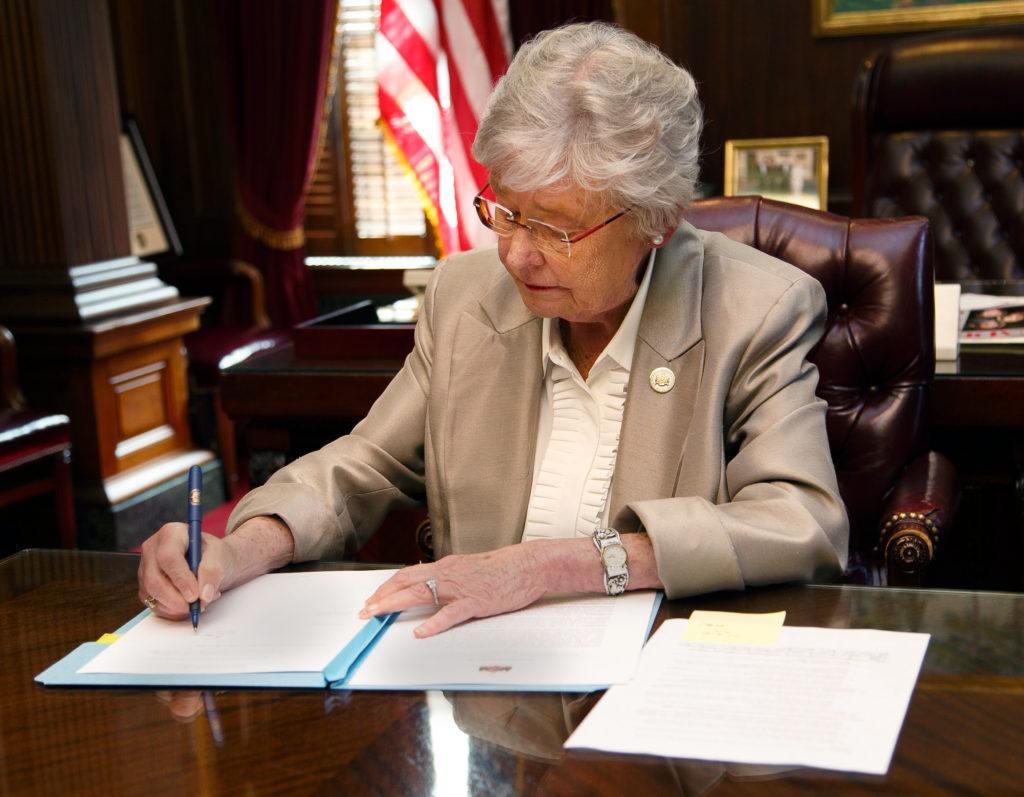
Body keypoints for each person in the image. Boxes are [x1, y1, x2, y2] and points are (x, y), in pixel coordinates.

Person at [138, 21, 848, 638]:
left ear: (656, 221)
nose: (513, 253)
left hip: (660, 680)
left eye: (553, 227)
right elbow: (363, 464)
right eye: (505, 210)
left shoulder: (756, 308)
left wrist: (560, 563)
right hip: (483, 686)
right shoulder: (464, 295)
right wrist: (238, 548)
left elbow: (801, 520)